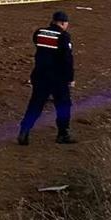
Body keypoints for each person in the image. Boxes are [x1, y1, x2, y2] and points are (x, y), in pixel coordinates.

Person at [17, 10, 76, 145]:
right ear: (63, 23)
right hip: (58, 78)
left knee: (35, 104)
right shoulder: (63, 36)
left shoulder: (39, 33)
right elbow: (67, 59)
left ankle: (24, 131)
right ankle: (63, 134)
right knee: (63, 105)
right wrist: (70, 78)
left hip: (40, 75)